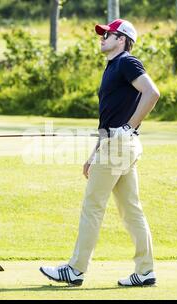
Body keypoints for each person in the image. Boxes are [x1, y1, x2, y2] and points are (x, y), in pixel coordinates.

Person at [40, 19, 160, 287]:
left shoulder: (127, 62)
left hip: (121, 144)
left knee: (93, 206)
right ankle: (145, 271)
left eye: (108, 34)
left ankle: (75, 269)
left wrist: (128, 127)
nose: (102, 37)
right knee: (131, 210)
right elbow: (109, 118)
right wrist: (95, 153)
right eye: (102, 33)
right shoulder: (112, 67)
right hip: (117, 145)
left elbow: (152, 93)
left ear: (122, 39)